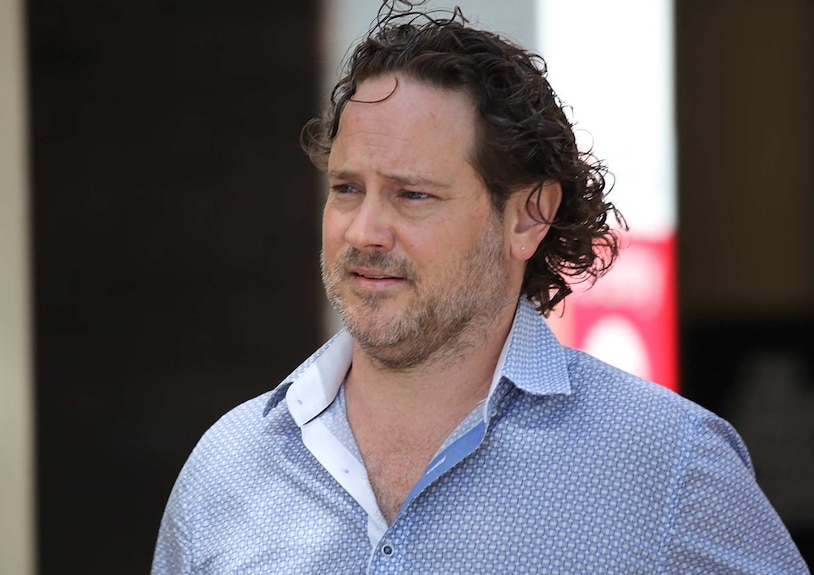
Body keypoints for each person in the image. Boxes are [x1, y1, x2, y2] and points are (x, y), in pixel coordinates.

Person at [152, 3, 810, 573]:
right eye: (347, 188)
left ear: (528, 216)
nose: (365, 230)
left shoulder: (666, 465)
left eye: (413, 194)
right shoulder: (228, 472)